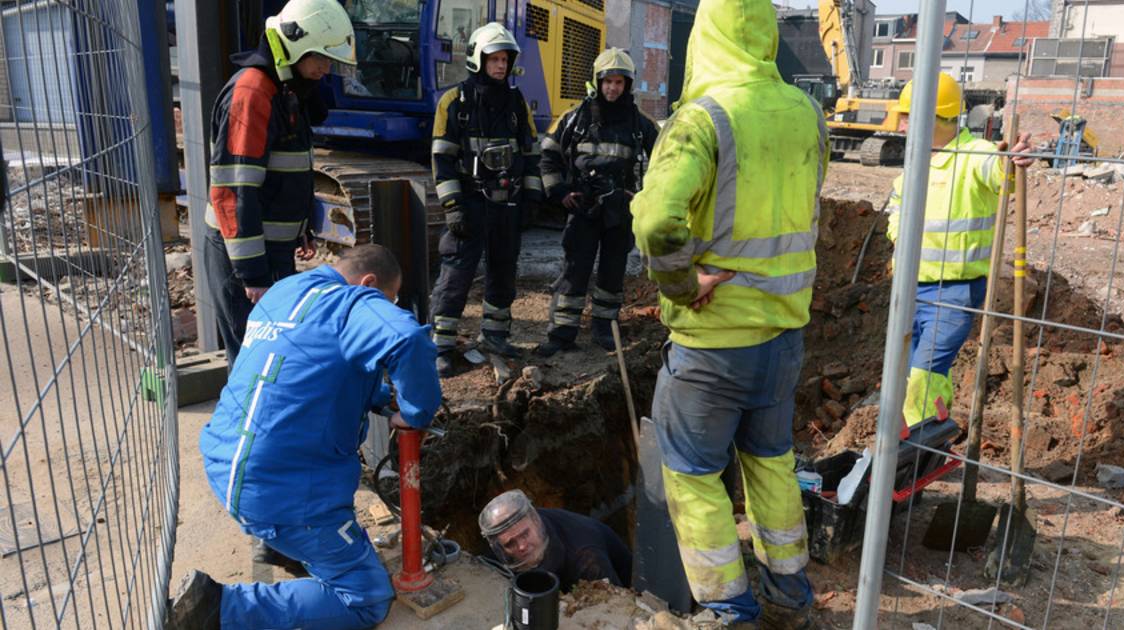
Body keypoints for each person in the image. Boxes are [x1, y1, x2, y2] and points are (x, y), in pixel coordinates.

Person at [629, 0, 828, 625]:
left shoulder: (702, 119)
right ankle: (789, 595)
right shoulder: (807, 113)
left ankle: (727, 610)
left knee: (691, 475)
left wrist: (685, 286)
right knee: (771, 466)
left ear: (705, 39)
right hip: (784, 337)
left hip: (714, 341)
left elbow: (658, 223)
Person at [169, 244, 442, 630]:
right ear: (368, 283)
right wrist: (415, 413)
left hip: (224, 463)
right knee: (367, 599)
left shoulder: (286, 290)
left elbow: (304, 369)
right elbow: (408, 341)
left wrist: (380, 397)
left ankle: (282, 543)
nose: (383, 306)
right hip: (281, 493)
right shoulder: (352, 303)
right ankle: (219, 608)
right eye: (388, 299)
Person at [202, 0, 353, 370]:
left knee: (275, 357)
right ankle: (250, 427)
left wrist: (301, 226)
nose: (326, 68)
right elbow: (234, 190)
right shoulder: (255, 92)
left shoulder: (285, 88)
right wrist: (252, 274)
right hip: (247, 254)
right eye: (320, 57)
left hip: (271, 249)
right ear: (294, 43)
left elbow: (289, 169)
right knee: (255, 362)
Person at [886, 72, 1033, 427]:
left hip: (954, 291)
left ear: (933, 118)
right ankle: (925, 435)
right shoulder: (913, 166)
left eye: (907, 118)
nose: (901, 127)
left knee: (925, 372)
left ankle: (914, 452)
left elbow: (1000, 173)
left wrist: (1010, 161)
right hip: (908, 288)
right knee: (908, 374)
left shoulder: (975, 154)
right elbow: (895, 217)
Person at [429, 22, 543, 376]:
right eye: (494, 59)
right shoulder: (454, 102)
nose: (500, 66)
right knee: (457, 273)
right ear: (478, 59)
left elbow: (531, 152)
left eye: (505, 59)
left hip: (506, 202)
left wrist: (533, 197)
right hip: (469, 203)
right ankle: (441, 345)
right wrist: (452, 207)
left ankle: (495, 335)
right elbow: (442, 160)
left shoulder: (516, 102)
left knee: (504, 270)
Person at [535, 48, 659, 356]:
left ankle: (605, 329)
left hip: (620, 209)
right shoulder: (575, 118)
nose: (613, 88)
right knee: (574, 270)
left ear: (628, 85)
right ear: (597, 81)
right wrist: (560, 192)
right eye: (607, 81)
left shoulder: (639, 123)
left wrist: (642, 196)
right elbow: (548, 156)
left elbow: (664, 162)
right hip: (583, 207)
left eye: (619, 82)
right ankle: (562, 334)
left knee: (612, 272)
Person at [478, 490, 631, 592]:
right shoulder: (511, 533)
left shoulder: (587, 559)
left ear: (536, 521)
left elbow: (615, 605)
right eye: (510, 544)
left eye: (525, 534)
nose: (522, 546)